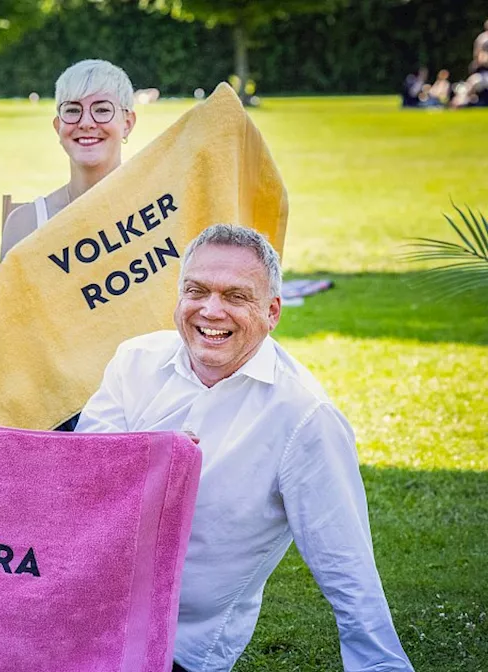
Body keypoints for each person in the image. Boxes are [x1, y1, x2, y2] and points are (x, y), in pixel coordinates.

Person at [76, 224, 413, 672]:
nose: (211, 311)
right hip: (79, 613)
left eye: (236, 296)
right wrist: (157, 458)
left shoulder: (305, 418)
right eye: (196, 291)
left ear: (273, 311)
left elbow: (347, 567)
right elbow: (79, 486)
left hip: (179, 648)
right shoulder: (133, 360)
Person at [0, 59, 138, 261]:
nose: (86, 123)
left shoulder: (161, 211)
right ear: (58, 126)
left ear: (127, 123)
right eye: (72, 110)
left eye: (102, 110)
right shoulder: (26, 225)